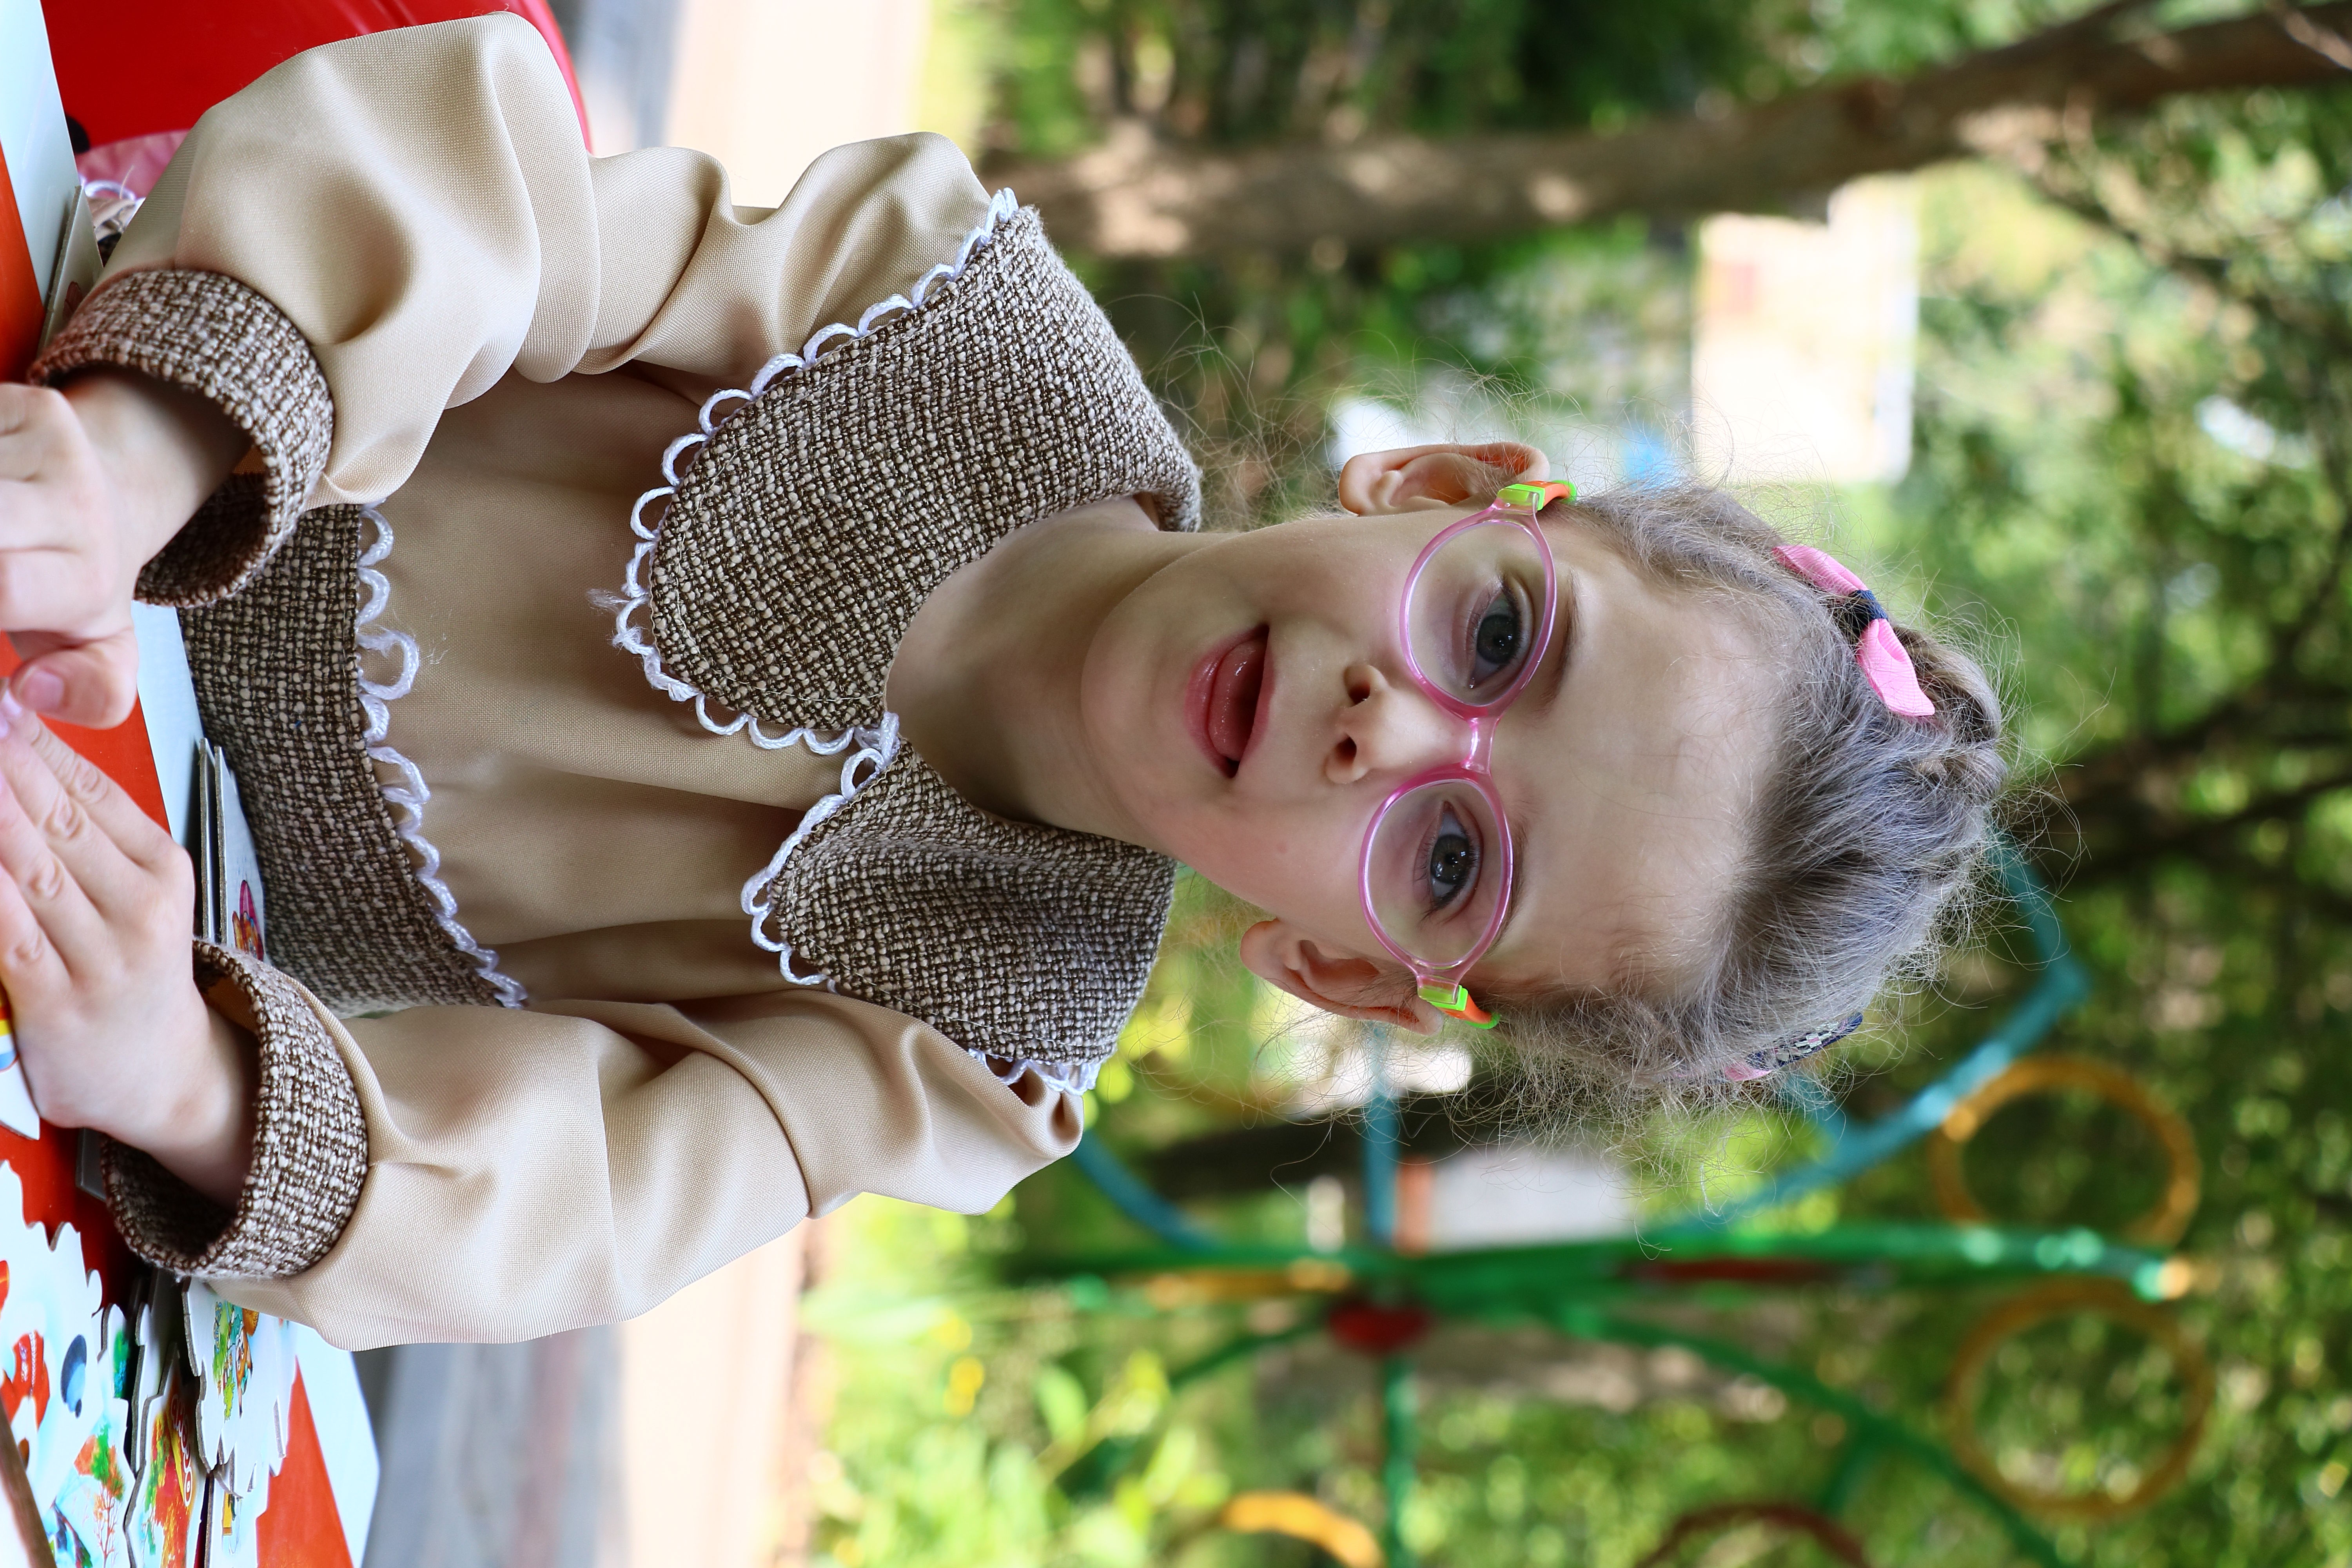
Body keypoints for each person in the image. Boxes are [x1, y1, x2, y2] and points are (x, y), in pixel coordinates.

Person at [0, 16, 2005, 1347]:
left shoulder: (973, 1047)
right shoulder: (950, 311)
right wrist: (142, 453)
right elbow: (499, 218)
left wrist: (179, 1075)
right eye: (1497, 638)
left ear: (1352, 974)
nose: (1388, 729)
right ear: (1441, 488)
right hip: (82, 385)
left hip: (68, 885)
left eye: (1457, 857)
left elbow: (592, 1196)